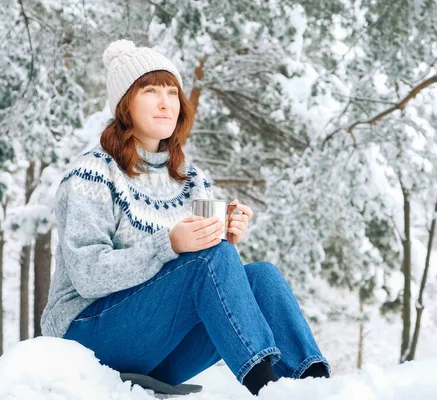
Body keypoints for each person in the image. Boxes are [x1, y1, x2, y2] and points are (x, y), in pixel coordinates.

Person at [41, 39, 330, 396]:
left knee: (262, 277)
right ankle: (266, 388)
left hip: (159, 352)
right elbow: (88, 274)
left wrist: (223, 235)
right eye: (150, 91)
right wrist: (170, 244)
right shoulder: (93, 174)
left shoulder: (191, 180)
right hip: (85, 336)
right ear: (125, 104)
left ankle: (314, 384)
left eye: (172, 93)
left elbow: (204, 268)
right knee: (212, 259)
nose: (166, 103)